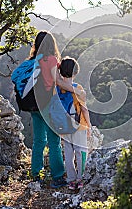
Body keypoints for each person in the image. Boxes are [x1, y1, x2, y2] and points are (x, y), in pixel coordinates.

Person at [29, 31, 80, 189]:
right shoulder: (50, 60)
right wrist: (76, 90)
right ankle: (58, 177)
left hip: (33, 105)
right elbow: (59, 82)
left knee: (38, 141)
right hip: (47, 105)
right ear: (51, 44)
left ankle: (36, 174)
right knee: (54, 141)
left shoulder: (32, 60)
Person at [57, 57, 92, 190]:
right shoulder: (77, 88)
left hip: (63, 126)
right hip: (78, 125)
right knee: (81, 151)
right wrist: (88, 126)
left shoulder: (57, 88)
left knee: (68, 152)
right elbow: (84, 109)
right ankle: (81, 178)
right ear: (75, 72)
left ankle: (70, 180)